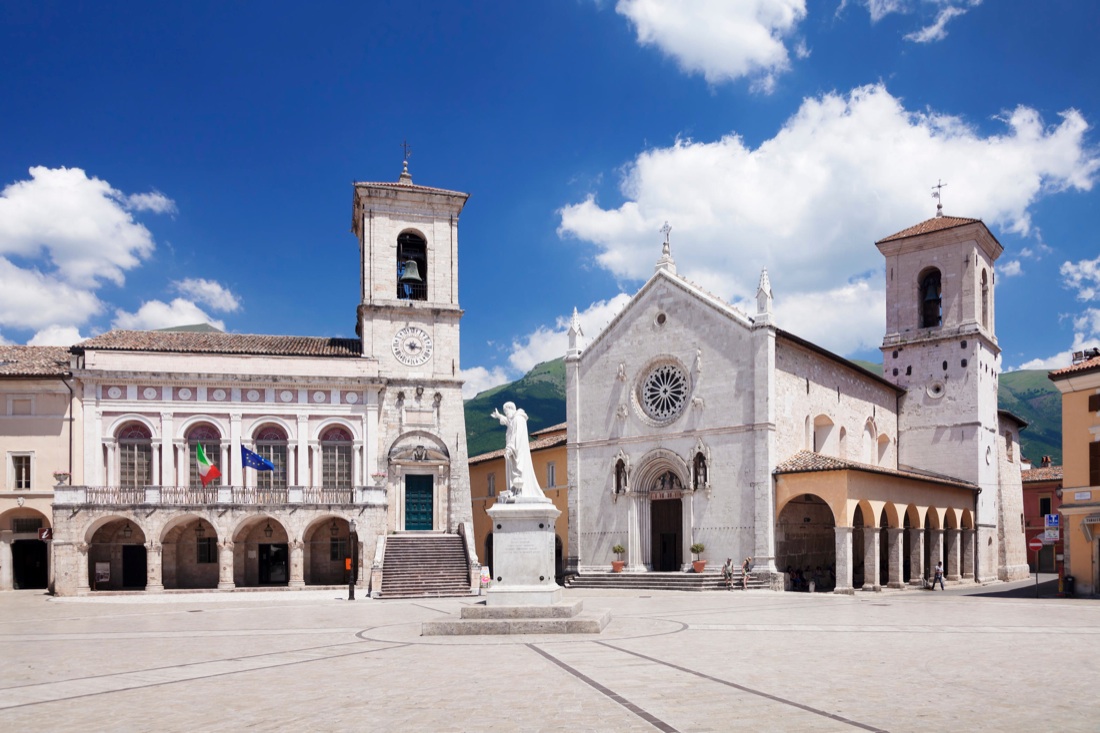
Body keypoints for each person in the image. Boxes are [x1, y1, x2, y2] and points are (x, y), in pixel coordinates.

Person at [490, 402, 545, 501]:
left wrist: (510, 449)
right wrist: (499, 416)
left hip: (517, 453)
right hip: (515, 452)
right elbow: (509, 422)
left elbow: (516, 435)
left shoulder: (518, 419)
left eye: (506, 412)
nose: (506, 414)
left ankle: (519, 491)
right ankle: (516, 490)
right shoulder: (516, 419)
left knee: (518, 473)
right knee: (514, 473)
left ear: (511, 409)